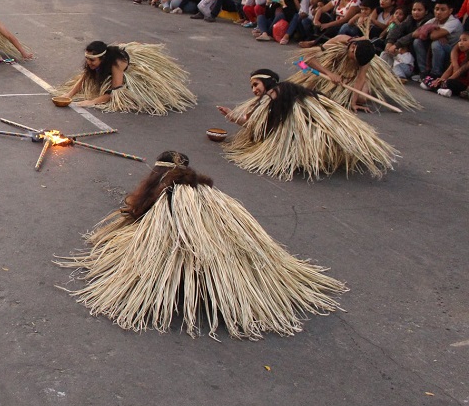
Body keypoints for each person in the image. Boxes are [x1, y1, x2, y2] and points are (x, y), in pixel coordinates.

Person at [58, 150, 346, 340]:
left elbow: (156, 234)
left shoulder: (167, 199)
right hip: (233, 263)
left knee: (164, 252)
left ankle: (195, 285)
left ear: (156, 176)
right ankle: (223, 288)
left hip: (195, 257)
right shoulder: (213, 194)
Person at [217, 68, 397, 180]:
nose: (254, 89)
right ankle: (306, 155)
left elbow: (258, 124)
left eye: (256, 84)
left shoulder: (278, 93)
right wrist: (232, 116)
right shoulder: (271, 100)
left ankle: (305, 155)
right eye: (251, 87)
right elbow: (257, 125)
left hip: (306, 129)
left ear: (267, 81)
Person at [58, 40, 196, 115]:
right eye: (87, 59)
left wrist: (92, 101)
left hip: (132, 68)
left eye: (92, 61)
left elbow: (115, 92)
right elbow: (84, 78)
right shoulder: (92, 62)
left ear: (103, 58)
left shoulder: (116, 64)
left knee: (120, 88)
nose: (89, 63)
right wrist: (69, 95)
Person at [290, 34, 420, 112]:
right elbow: (308, 59)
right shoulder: (338, 41)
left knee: (362, 98)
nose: (353, 61)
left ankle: (348, 90)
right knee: (307, 90)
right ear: (352, 47)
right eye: (353, 58)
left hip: (349, 75)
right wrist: (329, 74)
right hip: (331, 69)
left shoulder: (367, 55)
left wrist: (353, 102)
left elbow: (361, 77)